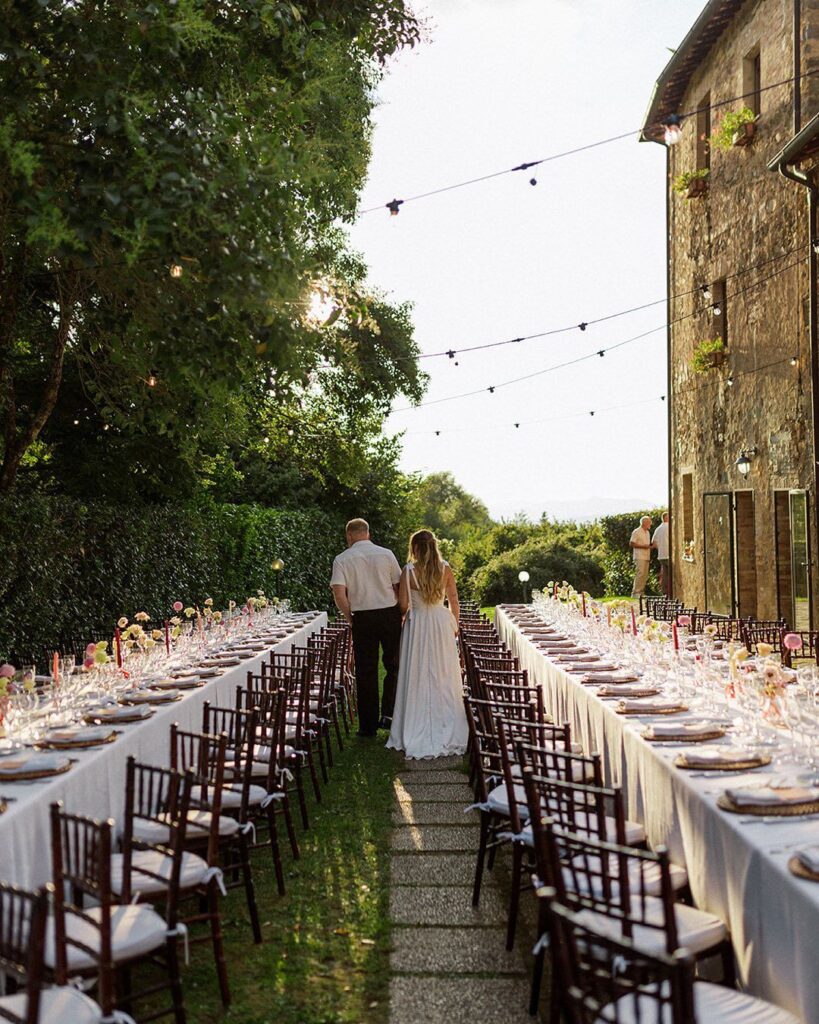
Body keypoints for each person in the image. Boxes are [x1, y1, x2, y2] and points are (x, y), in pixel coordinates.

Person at [387, 530, 468, 760]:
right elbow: (453, 599)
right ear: (434, 546)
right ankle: (446, 721)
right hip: (441, 624)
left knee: (418, 671)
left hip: (418, 625)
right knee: (443, 673)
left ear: (414, 548)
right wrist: (455, 624)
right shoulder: (445, 568)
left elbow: (403, 606)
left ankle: (416, 720)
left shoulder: (408, 571)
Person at [330, 518, 402, 737]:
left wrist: (350, 617)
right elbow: (398, 586)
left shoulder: (342, 559)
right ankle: (389, 715)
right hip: (389, 614)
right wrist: (399, 611)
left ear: (349, 535)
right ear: (368, 534)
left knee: (365, 670)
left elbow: (339, 593)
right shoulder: (386, 554)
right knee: (394, 665)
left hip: (362, 616)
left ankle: (368, 726)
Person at [629, 515, 653, 598]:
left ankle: (641, 592)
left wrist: (651, 546)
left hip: (646, 556)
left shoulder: (647, 532)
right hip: (639, 556)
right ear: (644, 523)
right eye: (649, 522)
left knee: (645, 575)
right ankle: (635, 593)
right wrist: (643, 546)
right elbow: (632, 543)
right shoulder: (636, 531)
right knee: (640, 573)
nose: (650, 524)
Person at [652, 511, 670, 597]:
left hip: (661, 555)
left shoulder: (658, 529)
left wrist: (660, 548)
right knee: (671, 574)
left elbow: (654, 542)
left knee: (664, 574)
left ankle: (664, 592)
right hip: (669, 554)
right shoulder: (669, 527)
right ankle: (670, 592)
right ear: (666, 518)